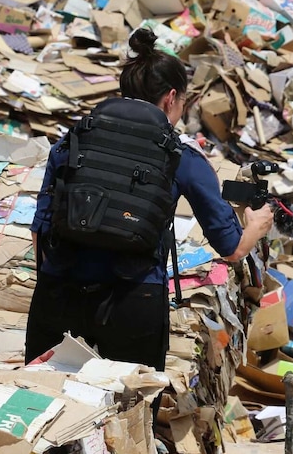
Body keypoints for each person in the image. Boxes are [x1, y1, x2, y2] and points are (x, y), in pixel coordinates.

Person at [25, 28, 274, 374]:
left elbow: (41, 232)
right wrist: (257, 226)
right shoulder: (182, 156)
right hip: (133, 301)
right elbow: (231, 248)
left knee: (45, 396)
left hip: (58, 291)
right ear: (171, 98)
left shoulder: (74, 140)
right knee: (132, 412)